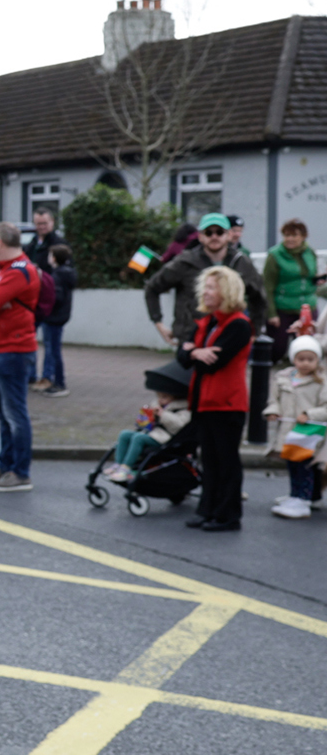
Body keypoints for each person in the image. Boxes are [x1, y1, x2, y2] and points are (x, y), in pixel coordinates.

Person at [178, 265, 252, 531]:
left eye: (211, 287)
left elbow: (212, 363)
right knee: (208, 460)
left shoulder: (239, 325)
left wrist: (193, 352)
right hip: (203, 401)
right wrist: (195, 352)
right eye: (205, 287)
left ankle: (228, 515)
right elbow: (182, 357)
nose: (205, 292)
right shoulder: (208, 322)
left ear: (226, 291)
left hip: (227, 403)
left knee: (226, 460)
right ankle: (207, 510)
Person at [0, 222, 40, 492]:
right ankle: (5, 465)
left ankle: (20, 472)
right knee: (4, 414)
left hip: (12, 349)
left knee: (14, 414)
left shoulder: (19, 271)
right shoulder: (2, 269)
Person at [144, 213, 266, 346]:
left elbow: (259, 296)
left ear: (228, 235)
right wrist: (158, 323)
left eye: (219, 232)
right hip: (191, 337)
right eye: (208, 232)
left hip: (230, 336)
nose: (214, 237)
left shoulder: (241, 262)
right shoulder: (184, 262)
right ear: (200, 236)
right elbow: (152, 288)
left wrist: (255, 330)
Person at [260, 333, 326, 519]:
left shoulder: (322, 381)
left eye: (310, 359)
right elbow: (274, 400)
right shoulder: (283, 378)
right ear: (293, 359)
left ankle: (303, 500)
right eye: (301, 359)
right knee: (292, 466)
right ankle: (295, 495)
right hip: (288, 431)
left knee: (305, 467)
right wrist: (272, 412)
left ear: (317, 360)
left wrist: (309, 414)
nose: (305, 363)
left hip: (309, 433)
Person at [101, 365, 192, 483]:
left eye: (164, 397)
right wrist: (145, 418)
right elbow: (146, 424)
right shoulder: (159, 405)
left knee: (138, 438)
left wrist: (163, 415)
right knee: (125, 434)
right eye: (159, 396)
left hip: (166, 438)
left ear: (175, 398)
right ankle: (118, 464)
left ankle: (126, 467)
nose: (160, 399)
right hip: (153, 433)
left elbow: (178, 425)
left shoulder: (184, 409)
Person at [262, 218, 318, 359]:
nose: (290, 239)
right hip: (283, 307)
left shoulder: (309, 252)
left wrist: (319, 279)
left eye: (294, 235)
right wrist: (271, 313)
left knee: (306, 348)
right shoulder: (275, 255)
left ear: (303, 236)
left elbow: (310, 276)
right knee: (278, 348)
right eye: (287, 235)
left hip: (306, 307)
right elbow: (267, 286)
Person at [38, 244, 76, 396]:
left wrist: (45, 305)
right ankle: (57, 381)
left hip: (53, 318)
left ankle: (59, 383)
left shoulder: (57, 276)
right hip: (59, 317)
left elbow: (56, 297)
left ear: (54, 258)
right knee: (54, 350)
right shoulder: (66, 273)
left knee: (53, 351)